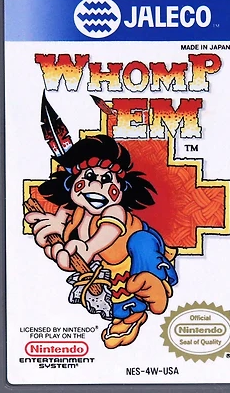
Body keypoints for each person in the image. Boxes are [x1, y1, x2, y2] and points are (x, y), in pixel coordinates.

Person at [24, 134, 178, 349]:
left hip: (140, 250)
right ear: (72, 184)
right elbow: (71, 247)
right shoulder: (76, 216)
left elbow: (107, 233)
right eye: (88, 177)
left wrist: (87, 249)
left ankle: (156, 286)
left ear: (120, 191)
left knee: (141, 243)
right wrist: (58, 243)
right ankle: (128, 320)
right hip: (112, 267)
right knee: (121, 295)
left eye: (106, 180)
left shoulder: (115, 211)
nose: (96, 184)